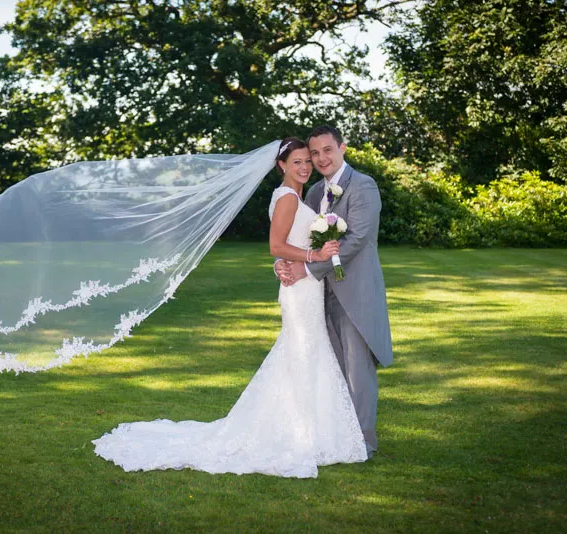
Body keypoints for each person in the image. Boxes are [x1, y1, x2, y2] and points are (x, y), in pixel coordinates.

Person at [92, 137, 368, 477]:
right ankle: (300, 434)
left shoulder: (299, 196)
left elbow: (288, 246)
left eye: (306, 160)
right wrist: (313, 256)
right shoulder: (287, 198)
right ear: (281, 165)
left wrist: (295, 260)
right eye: (297, 161)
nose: (305, 166)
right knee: (301, 352)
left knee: (305, 354)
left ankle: (310, 430)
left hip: (306, 286)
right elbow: (275, 245)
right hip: (301, 290)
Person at [275, 125, 393, 459]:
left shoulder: (363, 186)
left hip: (354, 294)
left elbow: (355, 240)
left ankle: (363, 443)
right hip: (318, 296)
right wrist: (282, 266)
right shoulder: (312, 193)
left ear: (342, 148)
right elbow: (296, 241)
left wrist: (308, 268)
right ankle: (337, 437)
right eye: (315, 153)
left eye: (328, 150)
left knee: (357, 371)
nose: (321, 158)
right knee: (330, 369)